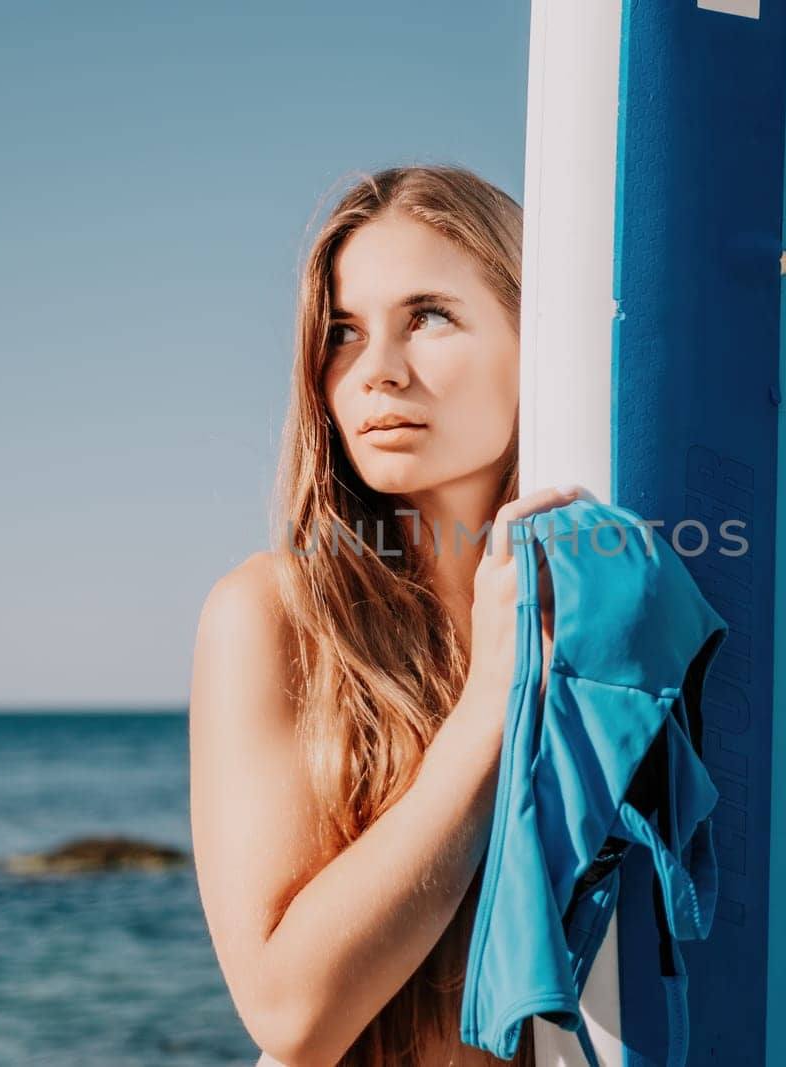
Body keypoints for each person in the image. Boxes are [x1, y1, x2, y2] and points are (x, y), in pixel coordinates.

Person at [189, 163, 585, 1066]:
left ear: (539, 337)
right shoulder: (272, 615)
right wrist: (494, 695)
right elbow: (292, 1015)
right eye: (343, 333)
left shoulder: (610, 606)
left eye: (429, 317)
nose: (378, 372)